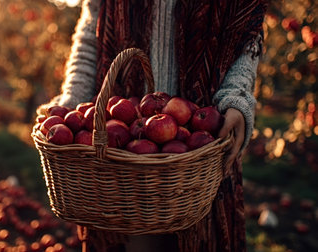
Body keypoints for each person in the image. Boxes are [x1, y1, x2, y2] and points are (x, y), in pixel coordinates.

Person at [39, 0, 268, 251]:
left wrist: (236, 95)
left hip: (203, 140)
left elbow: (248, 32)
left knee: (200, 235)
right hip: (120, 154)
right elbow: (92, 29)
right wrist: (73, 109)